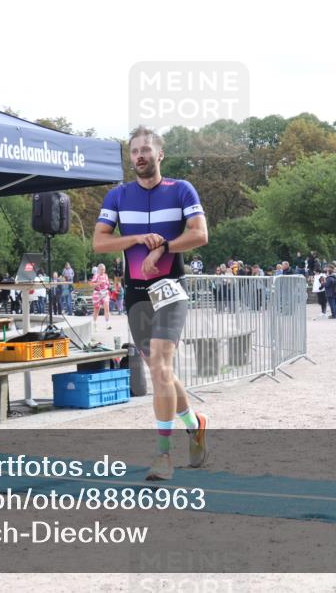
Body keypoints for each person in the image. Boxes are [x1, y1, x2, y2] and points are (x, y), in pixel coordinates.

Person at [93, 126, 209, 481]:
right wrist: (135, 239)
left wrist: (163, 247)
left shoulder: (180, 190)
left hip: (170, 287)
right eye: (134, 152)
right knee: (160, 372)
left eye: (146, 150)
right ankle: (195, 423)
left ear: (160, 155)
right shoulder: (118, 195)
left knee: (160, 363)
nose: (139, 156)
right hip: (137, 292)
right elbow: (100, 242)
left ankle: (163, 456)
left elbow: (200, 234)